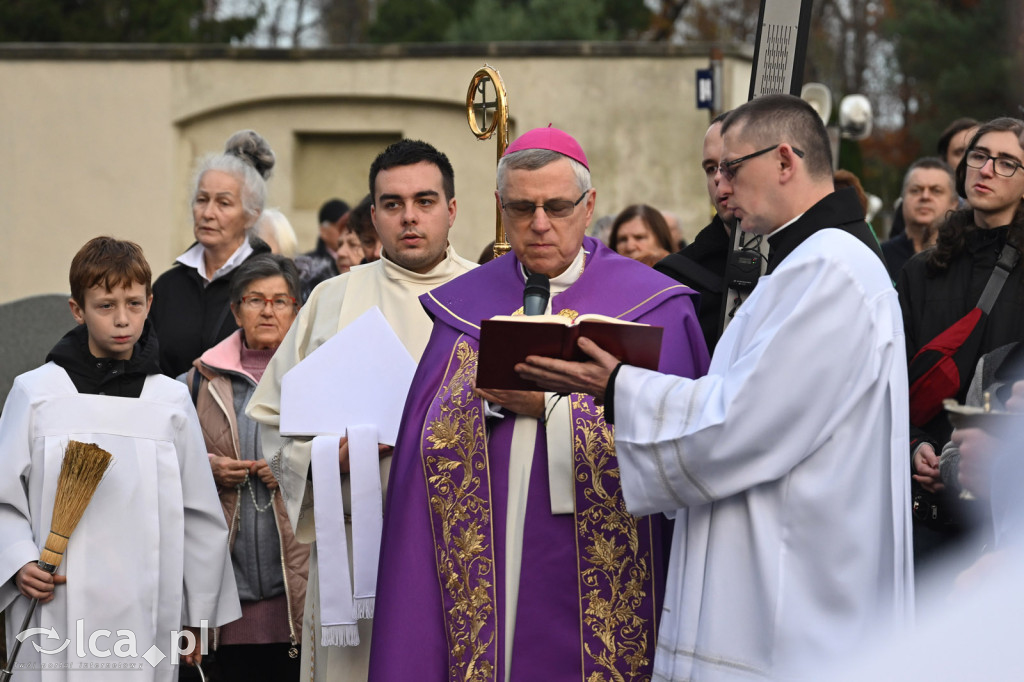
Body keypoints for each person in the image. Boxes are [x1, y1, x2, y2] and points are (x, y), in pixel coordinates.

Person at [518, 95, 913, 680]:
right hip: (782, 568)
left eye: (732, 167)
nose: (720, 186)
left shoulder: (830, 271)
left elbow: (743, 423)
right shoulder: (807, 264)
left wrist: (618, 386)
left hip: (791, 593)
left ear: (784, 161)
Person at [368, 127, 708, 682]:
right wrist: (483, 409)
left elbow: (688, 445)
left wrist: (550, 409)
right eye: (522, 208)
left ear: (589, 205)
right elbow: (426, 445)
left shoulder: (654, 307)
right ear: (500, 208)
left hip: (600, 578)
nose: (540, 224)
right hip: (488, 569)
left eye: (557, 206)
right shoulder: (463, 307)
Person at [246, 139, 476, 682]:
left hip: (465, 541)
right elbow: (272, 424)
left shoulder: (486, 295)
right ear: (373, 216)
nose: (409, 217)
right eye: (392, 204)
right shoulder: (332, 300)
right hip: (354, 543)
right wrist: (329, 458)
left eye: (425, 201)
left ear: (452, 209)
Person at [0, 237, 239, 681]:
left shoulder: (169, 401)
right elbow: (2, 498)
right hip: (57, 602)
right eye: (105, 306)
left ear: (150, 303)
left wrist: (198, 616)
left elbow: (200, 515)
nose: (122, 319)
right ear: (78, 310)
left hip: (146, 608)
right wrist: (17, 562)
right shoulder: (36, 394)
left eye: (133, 303)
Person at [899, 117, 1024, 569]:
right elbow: (889, 378)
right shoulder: (919, 272)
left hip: (1001, 514)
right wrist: (914, 445)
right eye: (979, 156)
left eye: (1007, 162)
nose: (987, 169)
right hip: (918, 510)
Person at [183, 254, 309, 682]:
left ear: (297, 308)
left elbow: (347, 449)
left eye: (280, 300)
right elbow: (171, 465)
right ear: (236, 310)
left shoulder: (316, 374)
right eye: (255, 300)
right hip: (227, 602)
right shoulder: (200, 379)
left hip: (300, 598)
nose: (268, 311)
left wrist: (293, 467)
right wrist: (209, 468)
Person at [149, 129, 275, 378]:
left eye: (223, 203)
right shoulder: (167, 286)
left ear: (252, 215)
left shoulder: (270, 285)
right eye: (202, 199)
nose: (208, 213)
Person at [656, 112, 735, 353]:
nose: (719, 178)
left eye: (730, 165)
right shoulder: (676, 277)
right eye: (711, 168)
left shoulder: (805, 256)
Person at [881, 158, 958, 280]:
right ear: (903, 198)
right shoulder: (879, 258)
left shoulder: (963, 259)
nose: (925, 196)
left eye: (936, 191)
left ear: (954, 203)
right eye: (915, 190)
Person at [608, 203, 674, 265]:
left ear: (661, 241)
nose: (630, 247)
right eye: (622, 239)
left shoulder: (677, 275)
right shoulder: (603, 275)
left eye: (639, 237)